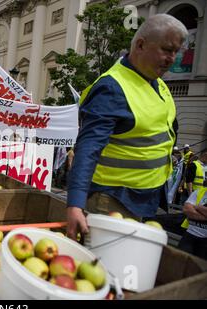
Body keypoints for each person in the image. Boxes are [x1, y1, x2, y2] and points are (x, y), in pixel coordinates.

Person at [65, 14, 188, 240]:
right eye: (167, 49)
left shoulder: (158, 84)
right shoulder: (112, 88)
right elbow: (88, 149)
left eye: (176, 52)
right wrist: (75, 204)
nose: (172, 59)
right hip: (112, 200)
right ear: (140, 44)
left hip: (142, 199)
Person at [178, 181, 207, 260]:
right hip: (189, 235)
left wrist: (197, 207)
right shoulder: (199, 192)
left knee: (200, 268)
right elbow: (186, 209)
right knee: (180, 261)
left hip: (205, 240)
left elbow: (191, 208)